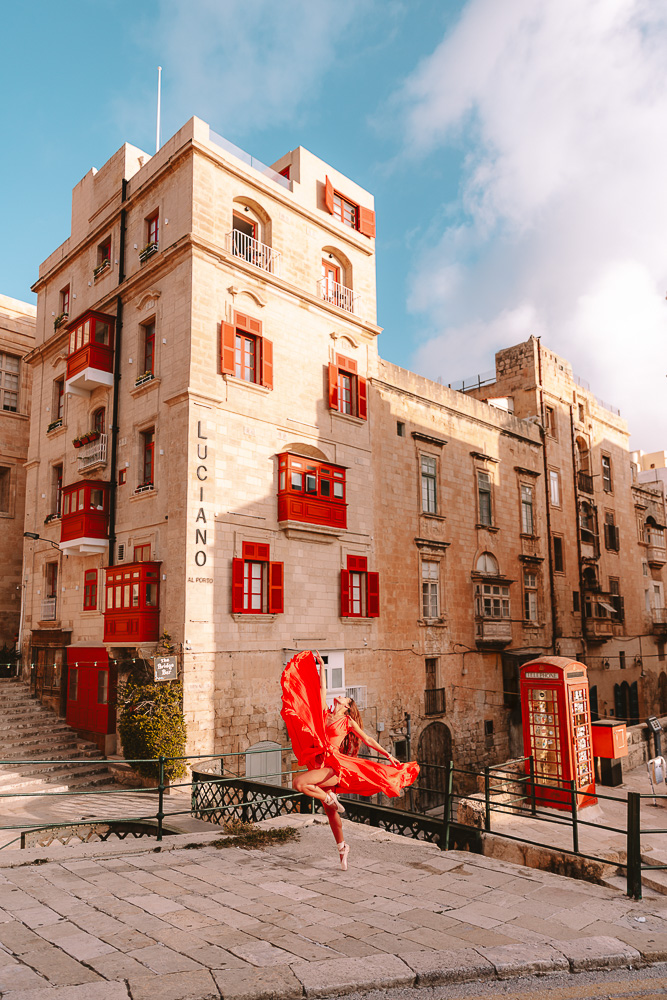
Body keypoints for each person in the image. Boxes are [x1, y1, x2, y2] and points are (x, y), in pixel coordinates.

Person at [280, 649, 419, 870]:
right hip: (319, 763)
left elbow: (369, 740)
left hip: (334, 766)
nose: (341, 695)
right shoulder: (325, 713)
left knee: (299, 784)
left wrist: (389, 755)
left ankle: (329, 798)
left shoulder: (347, 722)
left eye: (345, 697)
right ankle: (343, 847)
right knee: (331, 814)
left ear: (346, 706)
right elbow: (320, 689)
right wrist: (322, 668)